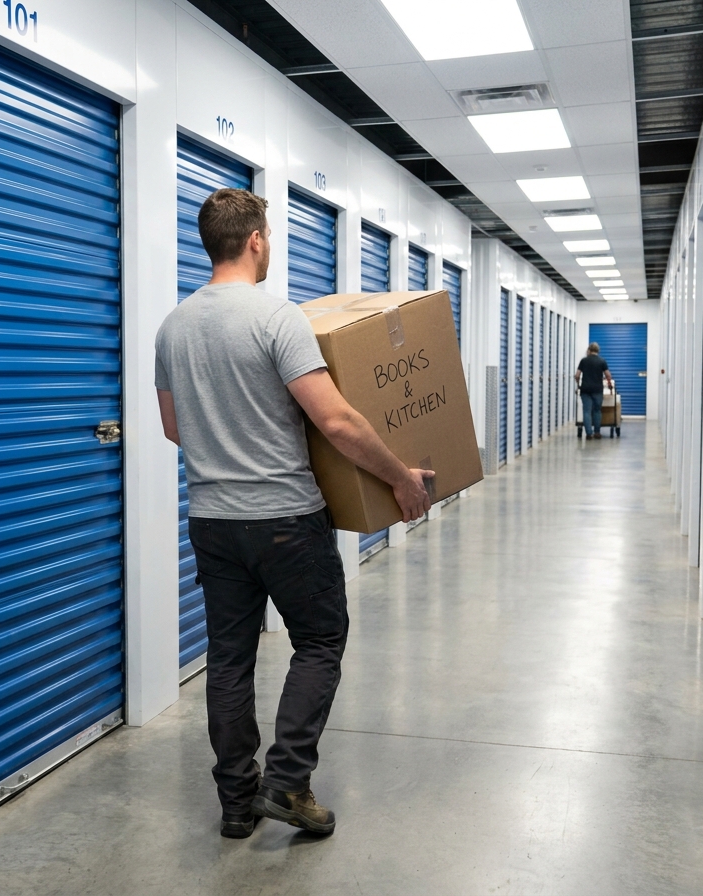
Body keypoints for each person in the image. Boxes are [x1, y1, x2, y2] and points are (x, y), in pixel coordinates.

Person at [155, 188, 433, 840]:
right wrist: (400, 479)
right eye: (271, 235)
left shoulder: (173, 326)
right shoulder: (277, 317)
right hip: (285, 518)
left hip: (212, 520)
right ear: (255, 240)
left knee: (228, 659)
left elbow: (174, 428)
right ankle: (287, 781)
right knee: (319, 640)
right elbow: (334, 419)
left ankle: (236, 804)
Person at [575, 342, 615, 440]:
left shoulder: (583, 361)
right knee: (597, 411)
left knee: (587, 411)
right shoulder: (602, 361)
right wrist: (608, 383)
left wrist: (578, 384)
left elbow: (577, 375)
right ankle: (597, 432)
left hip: (585, 389)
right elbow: (608, 375)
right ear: (598, 350)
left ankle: (589, 433)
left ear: (589, 350)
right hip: (597, 390)